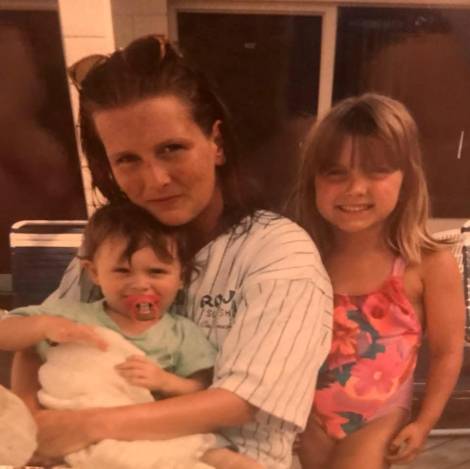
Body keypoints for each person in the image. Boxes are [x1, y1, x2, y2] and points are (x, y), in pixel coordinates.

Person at [11, 35, 333, 469]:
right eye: (128, 160)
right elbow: (40, 337)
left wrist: (86, 424)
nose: (156, 179)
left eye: (171, 149)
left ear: (216, 143)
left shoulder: (277, 254)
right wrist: (29, 421)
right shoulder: (114, 244)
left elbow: (242, 400)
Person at [1, 202, 262, 469]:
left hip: (138, 428)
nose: (139, 284)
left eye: (156, 272)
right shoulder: (69, 314)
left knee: (184, 446)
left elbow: (202, 388)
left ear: (181, 276)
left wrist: (167, 382)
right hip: (73, 419)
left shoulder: (180, 333)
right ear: (94, 272)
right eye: (122, 271)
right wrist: (43, 326)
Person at [290, 93, 465, 469]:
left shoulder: (427, 264)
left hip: (379, 416)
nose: (355, 188)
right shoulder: (303, 258)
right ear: (312, 181)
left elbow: (448, 351)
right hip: (307, 413)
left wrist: (424, 422)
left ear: (407, 179)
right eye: (335, 172)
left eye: (377, 171)